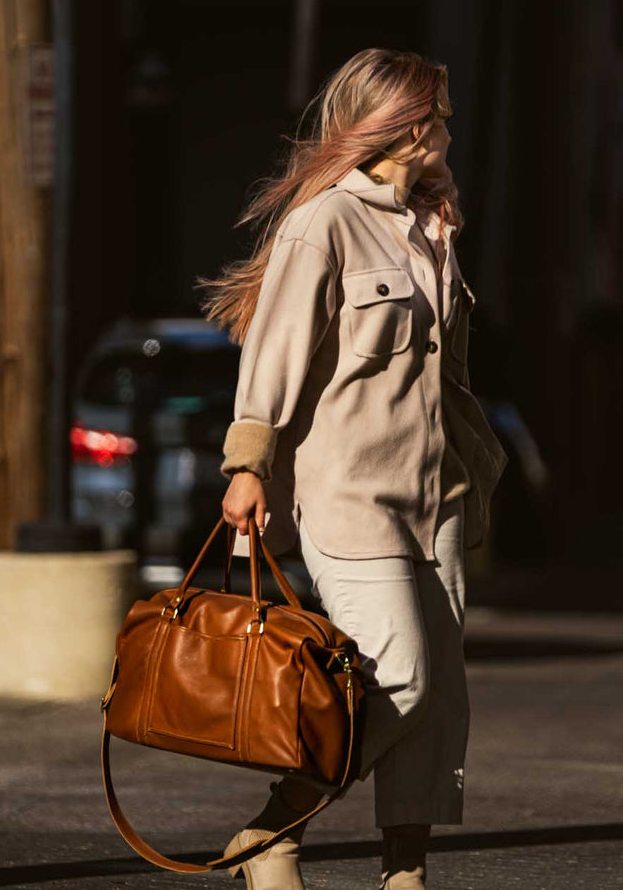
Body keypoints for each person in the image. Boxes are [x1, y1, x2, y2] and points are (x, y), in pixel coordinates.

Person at [196, 48, 507, 889]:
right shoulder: (326, 221)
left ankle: (405, 873)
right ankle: (270, 826)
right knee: (396, 672)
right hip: (350, 492)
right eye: (438, 115)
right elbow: (275, 349)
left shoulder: (433, 224)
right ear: (404, 127)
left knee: (438, 699)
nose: (449, 128)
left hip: (435, 492)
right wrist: (248, 463)